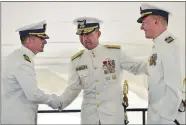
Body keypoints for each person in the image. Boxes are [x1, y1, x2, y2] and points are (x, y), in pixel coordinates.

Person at [58, 17, 148, 124]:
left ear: (98, 34)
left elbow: (136, 67)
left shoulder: (114, 53)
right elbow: (73, 89)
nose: (84, 38)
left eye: (88, 34)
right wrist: (58, 103)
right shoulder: (76, 60)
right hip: (90, 118)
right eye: (81, 35)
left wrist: (157, 63)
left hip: (113, 117)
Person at [1, 20, 62, 124]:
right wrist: (54, 101)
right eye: (41, 38)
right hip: (18, 120)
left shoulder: (15, 57)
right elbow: (33, 94)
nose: (45, 42)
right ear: (29, 40)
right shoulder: (23, 61)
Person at [137, 3, 185, 124]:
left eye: (144, 23)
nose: (141, 28)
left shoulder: (170, 45)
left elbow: (175, 86)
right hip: (157, 117)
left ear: (156, 22)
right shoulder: (158, 46)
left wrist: (166, 118)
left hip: (167, 119)